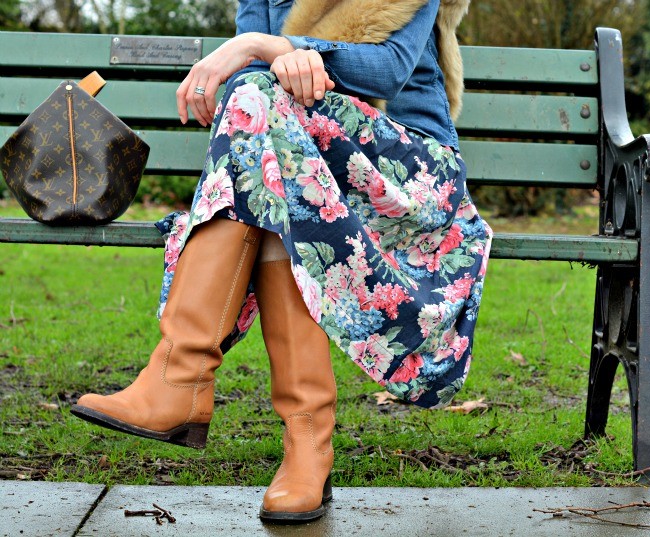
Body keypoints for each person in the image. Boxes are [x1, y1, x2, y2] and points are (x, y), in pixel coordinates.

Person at [70, 0, 491, 523]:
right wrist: (261, 60)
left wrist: (266, 46)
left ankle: (182, 375)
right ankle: (305, 445)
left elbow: (389, 67)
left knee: (263, 127)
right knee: (275, 174)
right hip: (301, 158)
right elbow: (249, 83)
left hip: (409, 173)